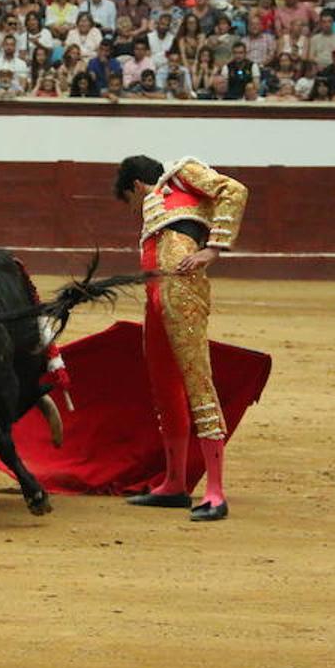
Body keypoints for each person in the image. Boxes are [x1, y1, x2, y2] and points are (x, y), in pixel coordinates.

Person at [114, 155, 249, 521]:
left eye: (131, 201)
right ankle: (174, 484)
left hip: (183, 289)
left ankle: (216, 492)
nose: (135, 210)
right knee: (165, 385)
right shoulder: (158, 205)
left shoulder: (182, 175)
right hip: (155, 294)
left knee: (196, 379)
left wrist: (213, 248)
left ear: (137, 187)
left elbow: (233, 190)